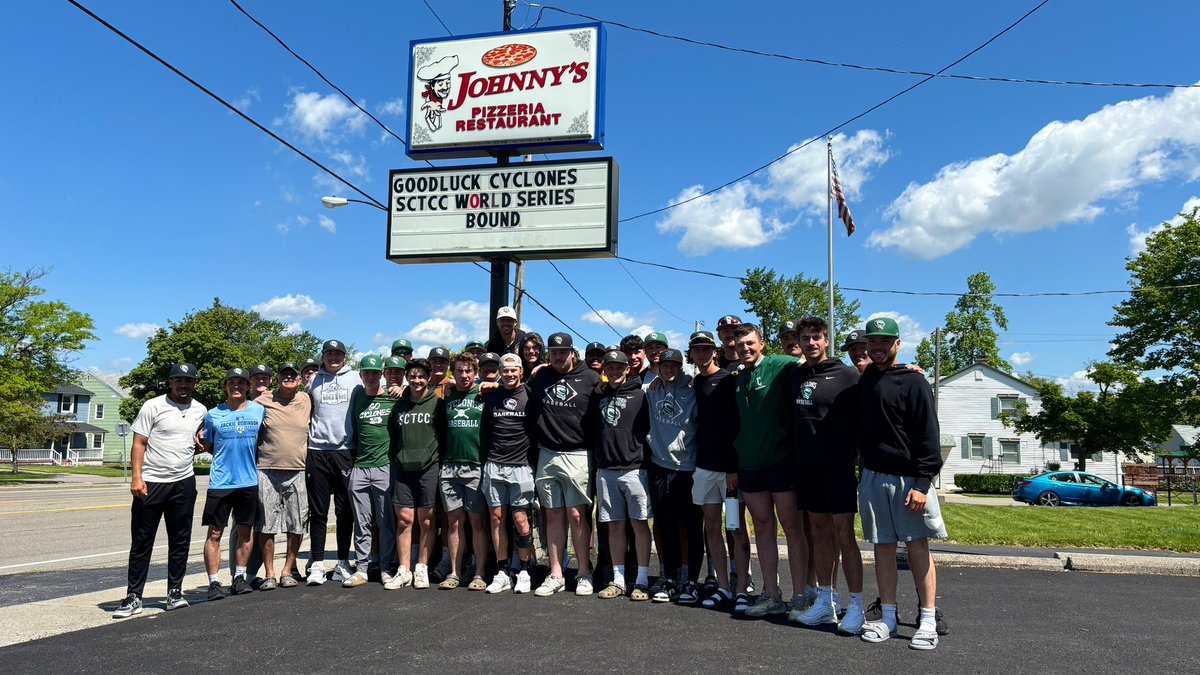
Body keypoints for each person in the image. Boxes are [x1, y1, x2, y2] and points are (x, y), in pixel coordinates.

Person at [855, 317, 947, 650]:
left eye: (885, 341)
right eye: (872, 341)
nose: (877, 347)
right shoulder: (866, 378)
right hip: (872, 476)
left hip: (909, 480)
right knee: (882, 547)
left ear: (897, 344)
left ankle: (927, 620)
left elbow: (929, 436)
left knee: (917, 547)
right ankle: (889, 618)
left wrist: (922, 483)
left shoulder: (914, 381)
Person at [786, 317, 866, 633]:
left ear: (826, 340)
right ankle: (825, 601)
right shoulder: (796, 374)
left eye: (816, 337)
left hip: (839, 468)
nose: (811, 343)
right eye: (805, 338)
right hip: (807, 468)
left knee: (844, 535)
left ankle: (856, 605)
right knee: (818, 533)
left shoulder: (848, 375)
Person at [112, 363, 207, 618]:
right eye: (179, 380)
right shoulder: (152, 406)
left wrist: (200, 444)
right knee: (142, 541)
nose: (183, 385)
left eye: (188, 381)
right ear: (170, 382)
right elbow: (139, 443)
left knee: (180, 540)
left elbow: (198, 440)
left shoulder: (200, 410)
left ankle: (174, 593)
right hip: (151, 483)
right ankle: (134, 596)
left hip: (183, 483)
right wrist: (137, 477)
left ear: (195, 384)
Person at [731, 323, 807, 618]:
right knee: (763, 528)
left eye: (750, 343)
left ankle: (800, 597)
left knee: (792, 528)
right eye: (740, 345)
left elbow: (813, 361)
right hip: (750, 465)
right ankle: (771, 594)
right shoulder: (738, 377)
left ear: (761, 344)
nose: (745, 349)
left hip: (781, 461)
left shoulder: (779, 364)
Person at [528, 332, 602, 596]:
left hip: (578, 454)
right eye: (554, 352)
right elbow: (516, 388)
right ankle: (556, 573)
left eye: (563, 352)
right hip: (547, 453)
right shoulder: (540, 376)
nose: (558, 357)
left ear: (573, 352)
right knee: (553, 514)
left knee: (577, 515)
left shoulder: (591, 378)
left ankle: (583, 572)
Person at [686, 332, 747, 611]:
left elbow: (735, 426)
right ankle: (723, 586)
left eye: (706, 349)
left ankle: (742, 587)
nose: (702, 353)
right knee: (711, 526)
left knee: (734, 527)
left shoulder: (728, 380)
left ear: (715, 351)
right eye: (696, 349)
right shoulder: (696, 382)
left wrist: (733, 468)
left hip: (728, 472)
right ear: (691, 353)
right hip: (704, 468)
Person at [589, 350, 653, 602]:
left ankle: (642, 580)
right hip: (606, 471)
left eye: (619, 367)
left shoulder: (641, 395)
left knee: (639, 524)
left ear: (628, 369)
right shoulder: (598, 395)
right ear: (604, 370)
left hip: (635, 469)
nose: (614, 371)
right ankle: (618, 580)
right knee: (614, 526)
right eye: (610, 368)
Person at [199, 368, 265, 600]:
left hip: (248, 481)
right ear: (225, 387)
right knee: (215, 533)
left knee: (245, 532)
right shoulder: (213, 415)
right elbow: (206, 445)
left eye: (241, 382)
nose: (236, 386)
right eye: (231, 382)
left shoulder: (259, 410)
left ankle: (239, 577)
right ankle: (214, 583)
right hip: (221, 482)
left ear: (248, 386)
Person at [644, 348, 703, 604]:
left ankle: (691, 581)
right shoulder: (651, 390)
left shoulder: (693, 390)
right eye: (664, 365)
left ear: (681, 367)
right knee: (666, 525)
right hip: (660, 466)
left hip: (688, 468)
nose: (669, 369)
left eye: (674, 365)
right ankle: (669, 578)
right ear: (658, 368)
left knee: (691, 527)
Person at [480, 354, 538, 593]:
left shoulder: (531, 396)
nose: (510, 374)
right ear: (499, 373)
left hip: (521, 466)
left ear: (521, 371)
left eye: (514, 370)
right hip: (495, 464)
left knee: (520, 519)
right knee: (496, 518)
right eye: (505, 370)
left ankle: (524, 570)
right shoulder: (492, 396)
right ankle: (502, 571)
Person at [434, 353, 490, 591]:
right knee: (454, 522)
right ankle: (454, 572)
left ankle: (479, 572)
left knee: (477, 521)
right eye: (459, 371)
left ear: (475, 373)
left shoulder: (483, 395)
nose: (464, 375)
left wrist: (492, 384)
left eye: (468, 371)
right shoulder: (446, 397)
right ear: (453, 373)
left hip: (475, 465)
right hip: (449, 467)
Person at [254, 362, 312, 590]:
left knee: (297, 523)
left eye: (292, 375)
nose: (288, 378)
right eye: (284, 375)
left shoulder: (307, 399)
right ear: (277, 380)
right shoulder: (262, 401)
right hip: (267, 470)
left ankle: (288, 570)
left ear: (299, 380)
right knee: (266, 524)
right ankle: (269, 573)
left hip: (298, 470)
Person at [385, 358, 441, 590]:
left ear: (429, 378)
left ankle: (422, 568)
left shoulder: (437, 403)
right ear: (407, 378)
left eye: (421, 376)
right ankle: (404, 570)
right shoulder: (399, 405)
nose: (417, 380)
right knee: (404, 520)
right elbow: (393, 436)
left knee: (426, 521)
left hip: (429, 468)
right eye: (413, 376)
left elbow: (443, 435)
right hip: (403, 469)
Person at [305, 339, 358, 585]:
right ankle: (316, 563)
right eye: (329, 354)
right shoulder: (313, 381)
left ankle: (343, 561)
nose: (333, 358)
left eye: (338, 354)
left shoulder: (356, 378)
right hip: (317, 450)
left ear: (344, 357)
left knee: (344, 511)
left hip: (346, 450)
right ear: (323, 356)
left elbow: (381, 389)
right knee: (318, 511)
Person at [343, 355, 398, 587]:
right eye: (367, 372)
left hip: (384, 466)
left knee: (385, 522)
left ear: (382, 375)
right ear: (361, 375)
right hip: (360, 467)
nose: (371, 376)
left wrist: (400, 389)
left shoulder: (392, 397)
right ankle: (362, 569)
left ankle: (386, 567)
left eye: (375, 372)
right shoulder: (357, 396)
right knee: (362, 521)